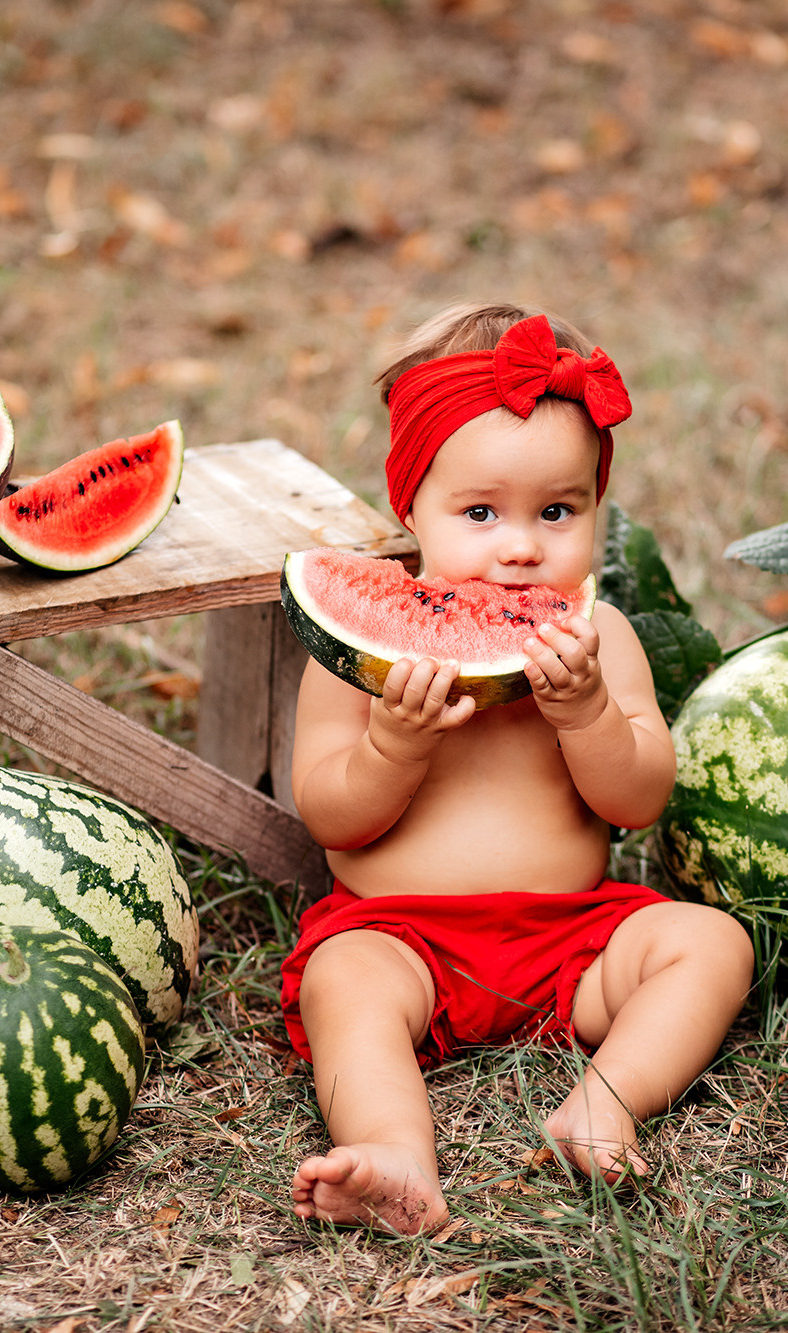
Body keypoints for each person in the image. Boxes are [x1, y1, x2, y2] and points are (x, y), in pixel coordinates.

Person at [281, 303, 755, 1234]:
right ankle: (393, 1151)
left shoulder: (599, 637)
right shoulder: (356, 657)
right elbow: (331, 816)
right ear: (407, 507)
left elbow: (640, 797)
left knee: (712, 945)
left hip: (570, 946)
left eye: (558, 510)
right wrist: (394, 744)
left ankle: (606, 1101)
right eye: (481, 512)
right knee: (346, 982)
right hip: (401, 937)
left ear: (595, 509)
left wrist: (586, 712)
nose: (522, 545)